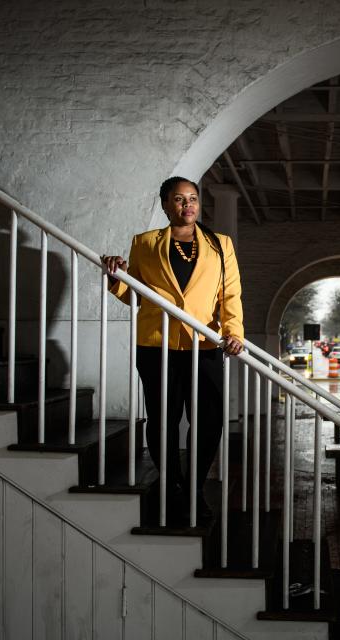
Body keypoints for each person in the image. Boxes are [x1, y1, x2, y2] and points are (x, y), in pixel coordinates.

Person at [101, 176, 244, 524]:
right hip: (156, 344)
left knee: (209, 422)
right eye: (179, 199)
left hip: (205, 343)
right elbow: (134, 295)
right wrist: (117, 276)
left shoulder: (220, 244)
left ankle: (194, 486)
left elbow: (230, 294)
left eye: (193, 198)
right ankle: (173, 485)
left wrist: (233, 331)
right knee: (164, 419)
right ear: (165, 204)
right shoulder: (145, 243)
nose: (188, 205)